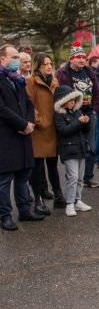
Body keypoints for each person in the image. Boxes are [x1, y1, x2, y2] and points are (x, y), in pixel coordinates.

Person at [0, 44, 41, 230]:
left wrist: (30, 122)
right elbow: (2, 109)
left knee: (23, 175)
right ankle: (5, 216)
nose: (17, 60)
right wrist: (22, 124)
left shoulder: (17, 80)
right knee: (5, 180)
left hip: (24, 135)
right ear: (2, 59)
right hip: (7, 136)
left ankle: (24, 211)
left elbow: (29, 103)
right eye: (14, 56)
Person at [56, 41, 99, 188]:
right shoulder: (62, 74)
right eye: (78, 57)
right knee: (74, 146)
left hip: (89, 112)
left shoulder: (89, 72)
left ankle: (88, 177)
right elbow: (60, 95)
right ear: (71, 59)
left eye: (83, 57)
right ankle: (73, 177)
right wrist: (72, 111)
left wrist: (94, 108)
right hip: (73, 114)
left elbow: (98, 91)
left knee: (91, 146)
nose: (81, 60)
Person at [26, 53, 66, 216]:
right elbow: (29, 105)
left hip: (53, 129)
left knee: (53, 165)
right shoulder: (31, 81)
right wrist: (40, 121)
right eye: (45, 64)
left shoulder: (54, 80)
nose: (49, 66)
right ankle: (38, 200)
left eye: (50, 63)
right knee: (37, 168)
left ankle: (58, 195)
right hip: (39, 131)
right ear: (38, 66)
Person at [54, 85, 92, 217]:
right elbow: (64, 131)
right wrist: (79, 123)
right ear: (63, 101)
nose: (72, 102)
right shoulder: (59, 115)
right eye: (70, 100)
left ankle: (78, 200)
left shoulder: (77, 112)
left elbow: (85, 131)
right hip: (68, 149)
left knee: (80, 177)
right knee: (73, 177)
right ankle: (69, 203)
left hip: (81, 147)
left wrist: (86, 122)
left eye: (74, 100)